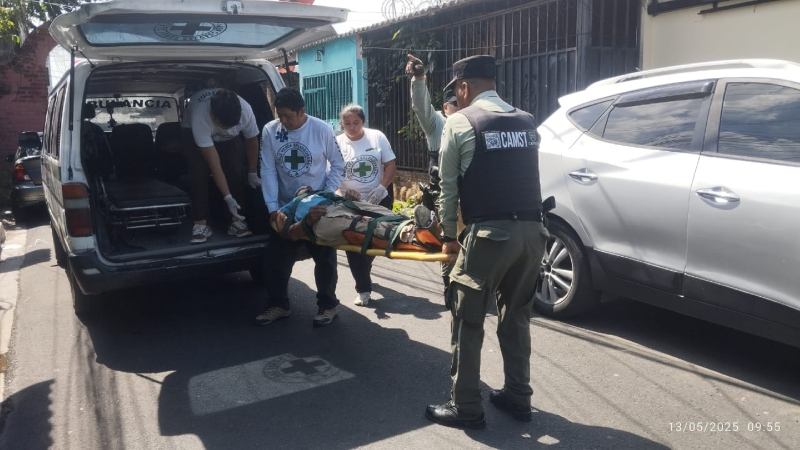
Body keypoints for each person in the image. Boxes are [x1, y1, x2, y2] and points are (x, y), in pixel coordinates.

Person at [425, 55, 549, 429]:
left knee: (468, 319)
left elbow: (447, 189)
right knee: (516, 318)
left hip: (490, 236)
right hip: (534, 234)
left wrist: (448, 238)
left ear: (464, 87)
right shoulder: (528, 122)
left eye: (457, 91)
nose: (457, 98)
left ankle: (465, 406)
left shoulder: (460, 122)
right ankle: (518, 396)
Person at [256, 88, 345, 327]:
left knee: (324, 257)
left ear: (301, 111)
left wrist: (325, 196)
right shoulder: (270, 131)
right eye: (280, 115)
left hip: (317, 207)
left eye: (288, 116)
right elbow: (267, 169)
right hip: (286, 207)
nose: (283, 121)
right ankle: (278, 305)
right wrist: (273, 208)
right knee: (275, 258)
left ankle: (327, 306)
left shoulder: (321, 129)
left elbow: (338, 165)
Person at [406, 53, 460, 288]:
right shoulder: (437, 123)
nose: (461, 108)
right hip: (446, 199)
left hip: (473, 199)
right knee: (449, 244)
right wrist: (419, 78)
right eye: (455, 104)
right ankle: (451, 288)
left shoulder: (478, 123)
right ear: (445, 107)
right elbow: (420, 106)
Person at [182, 86, 261, 244]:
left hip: (229, 142)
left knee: (236, 170)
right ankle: (201, 223)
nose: (227, 130)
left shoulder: (246, 110)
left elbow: (251, 140)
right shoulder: (200, 116)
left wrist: (252, 171)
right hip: (192, 134)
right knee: (199, 174)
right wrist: (227, 197)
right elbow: (214, 165)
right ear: (213, 116)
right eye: (224, 126)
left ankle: (236, 221)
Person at [335, 104, 397, 307]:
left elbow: (390, 164)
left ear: (363, 122)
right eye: (347, 124)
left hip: (378, 199)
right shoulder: (337, 143)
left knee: (375, 241)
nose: (352, 127)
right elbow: (331, 173)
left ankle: (365, 268)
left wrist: (381, 187)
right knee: (353, 244)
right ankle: (363, 288)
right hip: (351, 202)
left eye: (356, 123)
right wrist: (343, 192)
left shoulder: (376, 137)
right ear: (341, 124)